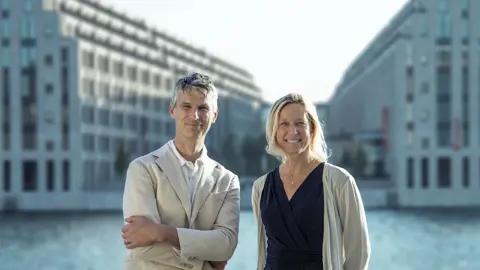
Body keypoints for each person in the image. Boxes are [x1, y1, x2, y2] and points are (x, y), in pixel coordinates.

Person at [121, 73, 240, 270]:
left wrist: (163, 232)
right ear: (172, 110)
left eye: (203, 108)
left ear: (215, 115)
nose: (194, 116)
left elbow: (226, 246)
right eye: (186, 107)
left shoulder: (227, 180)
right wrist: (206, 263)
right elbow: (141, 245)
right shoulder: (143, 169)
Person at [251, 93, 371, 270]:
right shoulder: (261, 188)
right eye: (284, 124)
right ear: (274, 131)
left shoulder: (339, 181)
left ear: (312, 128)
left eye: (300, 123)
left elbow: (359, 252)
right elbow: (263, 252)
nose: (293, 131)